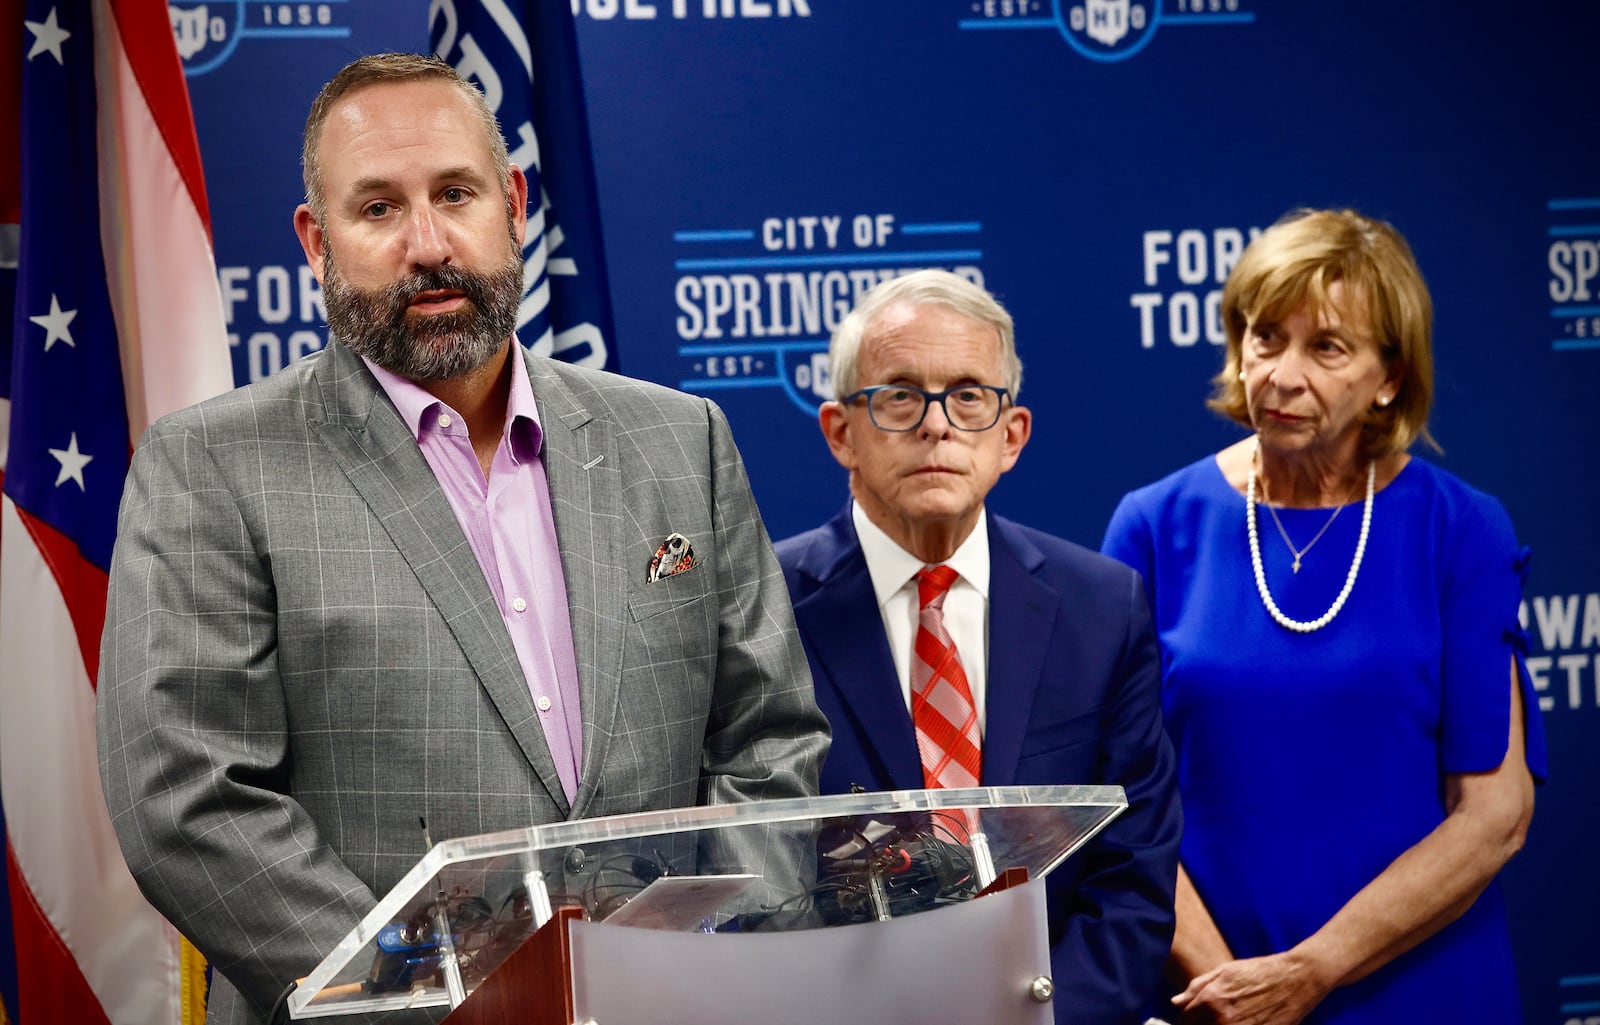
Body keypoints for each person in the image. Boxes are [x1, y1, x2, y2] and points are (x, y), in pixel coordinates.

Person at [96, 53, 828, 1025]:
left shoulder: (678, 438)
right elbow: (186, 798)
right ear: (316, 240)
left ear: (513, 201)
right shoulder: (213, 466)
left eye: (454, 193)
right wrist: (427, 997)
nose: (428, 243)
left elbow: (767, 738)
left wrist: (708, 958)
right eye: (378, 210)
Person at [1100, 208, 1545, 1024]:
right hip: (1215, 993)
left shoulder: (1463, 528)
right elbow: (1120, 796)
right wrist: (1228, 984)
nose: (1281, 373)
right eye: (1265, 337)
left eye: (1327, 347)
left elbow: (1495, 814)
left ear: (1389, 376)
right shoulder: (1155, 524)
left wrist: (1311, 971)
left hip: (1423, 987)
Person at [774, 269, 1181, 1025]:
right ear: (840, 432)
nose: (937, 424)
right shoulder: (763, 608)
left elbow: (1131, 883)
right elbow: (752, 877)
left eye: (968, 395)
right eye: (899, 394)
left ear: (1011, 435)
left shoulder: (1102, 608)